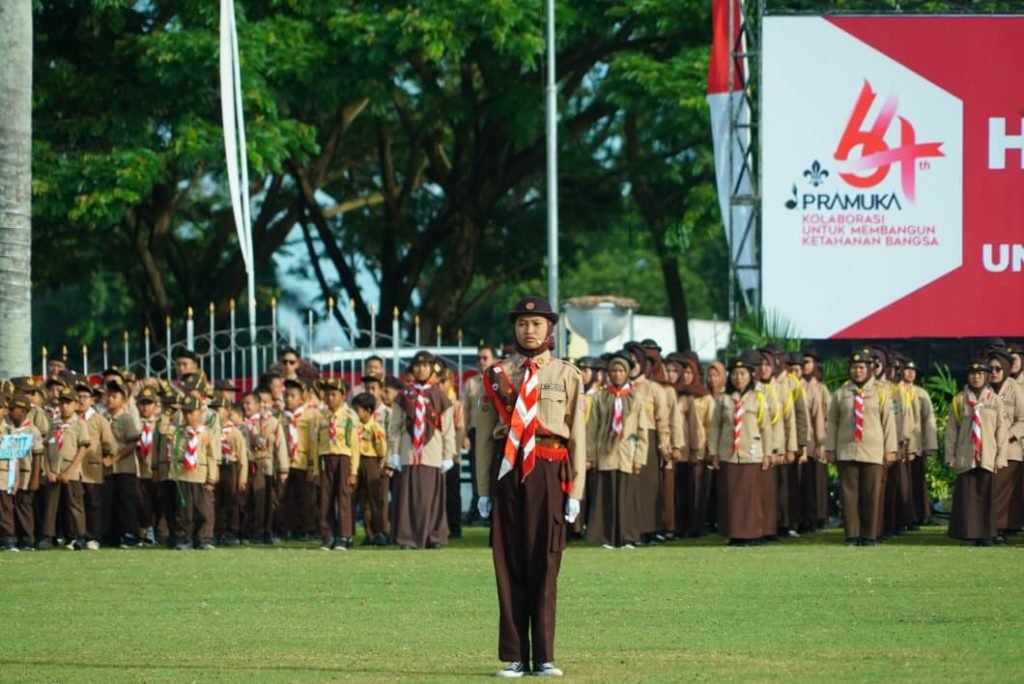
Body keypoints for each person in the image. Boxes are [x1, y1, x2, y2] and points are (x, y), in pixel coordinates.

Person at [475, 296, 585, 678]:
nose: (529, 330)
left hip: (548, 469)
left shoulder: (567, 374)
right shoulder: (496, 375)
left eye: (536, 323)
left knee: (545, 561)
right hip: (507, 470)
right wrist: (483, 490)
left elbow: (578, 437)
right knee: (508, 562)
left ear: (549, 328)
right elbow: (484, 437)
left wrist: (575, 493)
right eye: (522, 323)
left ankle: (545, 656)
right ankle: (515, 656)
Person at [825, 349, 896, 546]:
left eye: (862, 368)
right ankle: (852, 535)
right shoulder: (841, 394)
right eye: (854, 367)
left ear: (870, 369)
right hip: (847, 450)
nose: (858, 371)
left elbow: (889, 423)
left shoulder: (881, 393)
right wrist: (830, 448)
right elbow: (832, 424)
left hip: (872, 450)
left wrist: (890, 450)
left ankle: (869, 535)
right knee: (849, 495)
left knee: (871, 495)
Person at [387, 351, 455, 550]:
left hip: (432, 453)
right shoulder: (404, 396)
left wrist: (448, 455)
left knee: (431, 498)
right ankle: (407, 537)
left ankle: (434, 536)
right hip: (409, 452)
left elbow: (447, 429)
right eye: (417, 365)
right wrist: (394, 452)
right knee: (408, 498)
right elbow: (395, 427)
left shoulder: (440, 397)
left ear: (432, 369)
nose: (421, 369)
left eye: (425, 366)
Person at [707, 351, 773, 546]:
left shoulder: (758, 398)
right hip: (729, 454)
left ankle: (752, 534)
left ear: (750, 376)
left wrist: (767, 453)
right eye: (735, 374)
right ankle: (734, 534)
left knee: (751, 498)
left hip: (751, 453)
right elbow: (715, 427)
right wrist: (713, 452)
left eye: (742, 374)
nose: (738, 378)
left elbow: (766, 427)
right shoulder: (724, 400)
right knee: (732, 497)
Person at [584, 351, 649, 548]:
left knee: (627, 497)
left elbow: (641, 430)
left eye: (621, 370)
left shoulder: (635, 398)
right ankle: (608, 537)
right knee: (607, 496)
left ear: (627, 373)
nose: (617, 374)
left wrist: (639, 457)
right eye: (613, 370)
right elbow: (592, 429)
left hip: (627, 453)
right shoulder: (601, 397)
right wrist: (590, 456)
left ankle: (627, 536)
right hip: (606, 453)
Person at [946, 360, 1008, 545]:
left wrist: (1001, 456)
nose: (976, 377)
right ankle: (969, 534)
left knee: (987, 496)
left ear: (987, 376)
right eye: (973, 374)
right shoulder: (959, 400)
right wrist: (950, 456)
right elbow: (952, 431)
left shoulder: (995, 400)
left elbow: (1001, 431)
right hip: (966, 454)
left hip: (988, 454)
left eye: (981, 373)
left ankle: (986, 534)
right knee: (967, 497)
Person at [40, 386, 91, 550]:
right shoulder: (55, 424)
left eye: (68, 403)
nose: (64, 406)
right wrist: (48, 470)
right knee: (51, 505)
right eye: (62, 403)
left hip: (71, 471)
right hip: (54, 470)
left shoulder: (79, 424)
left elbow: (82, 449)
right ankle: (48, 536)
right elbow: (46, 447)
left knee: (75, 504)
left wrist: (70, 471)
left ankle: (80, 535)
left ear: (76, 405)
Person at [314, 378, 359, 550]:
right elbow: (315, 444)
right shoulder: (320, 418)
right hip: (325, 459)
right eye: (327, 395)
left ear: (343, 396)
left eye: (334, 394)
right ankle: (328, 535)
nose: (330, 398)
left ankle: (344, 535)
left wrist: (353, 471)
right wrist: (315, 469)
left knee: (343, 497)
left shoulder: (349, 418)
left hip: (343, 459)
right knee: (325, 498)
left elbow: (355, 446)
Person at [101, 378, 142, 547]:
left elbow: (133, 442)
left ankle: (131, 534)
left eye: (114, 396)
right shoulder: (103, 418)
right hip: (108, 468)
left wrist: (114, 459)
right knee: (109, 501)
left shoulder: (126, 418)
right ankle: (112, 535)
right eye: (108, 396)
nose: (110, 399)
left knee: (126, 502)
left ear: (123, 400)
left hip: (124, 467)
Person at [1, 395, 45, 551]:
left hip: (25, 474)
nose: (21, 413)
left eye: (25, 410)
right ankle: (13, 538)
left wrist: (35, 477)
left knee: (24, 507)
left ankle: (28, 539)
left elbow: (38, 454)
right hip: (7, 475)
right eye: (17, 409)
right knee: (8, 508)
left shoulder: (32, 430)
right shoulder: (8, 428)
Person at [281, 378, 320, 540]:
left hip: (303, 462)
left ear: (302, 398)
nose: (288, 399)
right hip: (286, 463)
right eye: (286, 395)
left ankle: (308, 528)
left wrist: (312, 465)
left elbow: (313, 442)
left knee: (306, 498)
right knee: (288, 498)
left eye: (292, 396)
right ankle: (291, 528)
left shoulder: (311, 416)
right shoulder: (282, 417)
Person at [351, 392, 390, 546]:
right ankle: (369, 533)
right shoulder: (354, 427)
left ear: (368, 411)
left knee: (375, 499)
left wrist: (380, 463)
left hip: (371, 461)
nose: (355, 413)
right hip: (357, 461)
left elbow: (381, 448)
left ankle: (380, 532)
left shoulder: (375, 427)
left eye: (357, 410)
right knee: (362, 501)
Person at [212, 396, 248, 546]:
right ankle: (218, 531)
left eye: (218, 410)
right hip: (216, 467)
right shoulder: (212, 430)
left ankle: (231, 532)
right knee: (217, 501)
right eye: (213, 410)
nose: (215, 413)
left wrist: (242, 478)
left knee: (231, 501)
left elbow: (242, 457)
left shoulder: (234, 432)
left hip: (230, 467)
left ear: (227, 412)